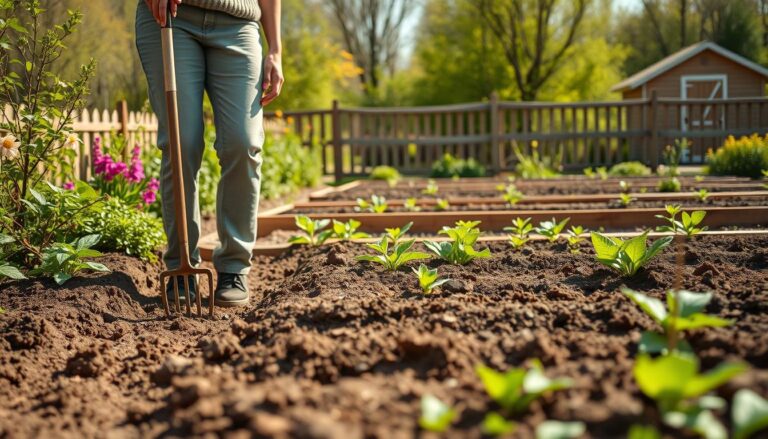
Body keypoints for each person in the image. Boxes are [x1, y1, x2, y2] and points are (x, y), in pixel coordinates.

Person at [135, 0, 283, 307]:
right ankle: (181, 267)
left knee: (243, 143)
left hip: (238, 24)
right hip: (172, 18)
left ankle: (233, 267)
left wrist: (276, 49)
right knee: (181, 143)